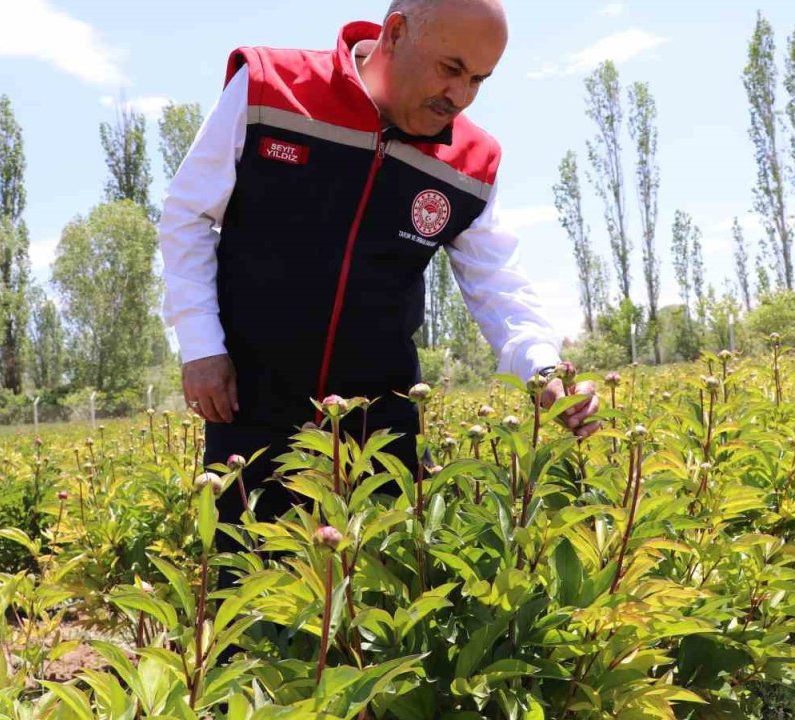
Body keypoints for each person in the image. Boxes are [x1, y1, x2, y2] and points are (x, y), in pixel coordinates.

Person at [158, 0, 601, 524]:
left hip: (382, 423)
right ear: (395, 33)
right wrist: (201, 346)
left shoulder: (471, 161)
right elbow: (187, 215)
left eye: (479, 79)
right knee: (242, 576)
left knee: (388, 586)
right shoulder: (269, 88)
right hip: (251, 406)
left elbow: (498, 284)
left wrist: (541, 370)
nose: (458, 96)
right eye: (450, 68)